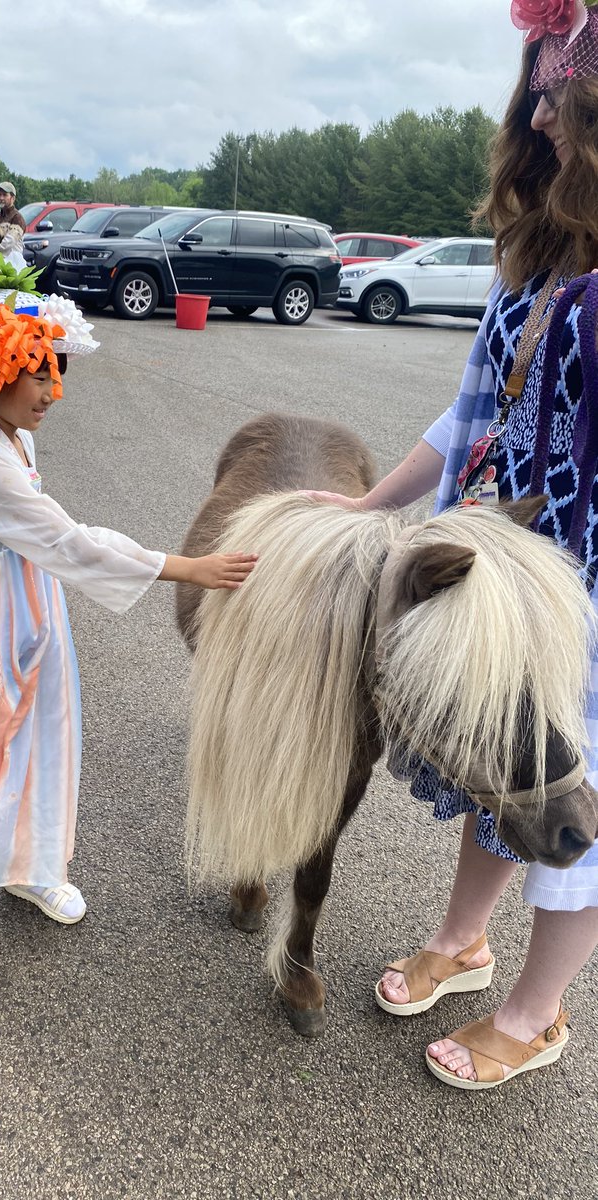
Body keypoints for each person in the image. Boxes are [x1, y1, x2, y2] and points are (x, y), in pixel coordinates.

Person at [303, 2, 598, 1089]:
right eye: (535, 94)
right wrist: (376, 505)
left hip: (587, 589)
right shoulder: (529, 247)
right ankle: (465, 940)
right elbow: (470, 415)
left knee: (569, 789)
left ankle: (536, 1011)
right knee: (491, 763)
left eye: (560, 98)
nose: (540, 116)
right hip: (497, 568)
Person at [0, 302, 256, 925]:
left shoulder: (11, 436)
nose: (53, 392)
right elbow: (70, 542)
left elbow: (50, 539)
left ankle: (30, 867)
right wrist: (188, 568)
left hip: (17, 596)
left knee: (37, 735)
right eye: (40, 375)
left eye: (59, 376)